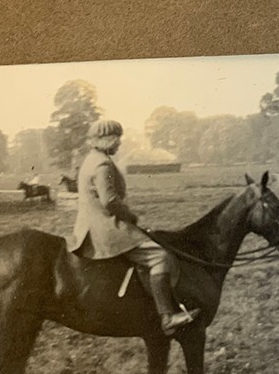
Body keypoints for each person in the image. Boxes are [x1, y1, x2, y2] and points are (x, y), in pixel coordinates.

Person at [68, 118, 200, 334]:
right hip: (106, 228)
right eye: (117, 139)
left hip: (89, 225)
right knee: (161, 257)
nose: (119, 144)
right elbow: (109, 201)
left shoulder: (90, 160)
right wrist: (131, 217)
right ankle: (167, 316)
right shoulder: (103, 164)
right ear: (105, 140)